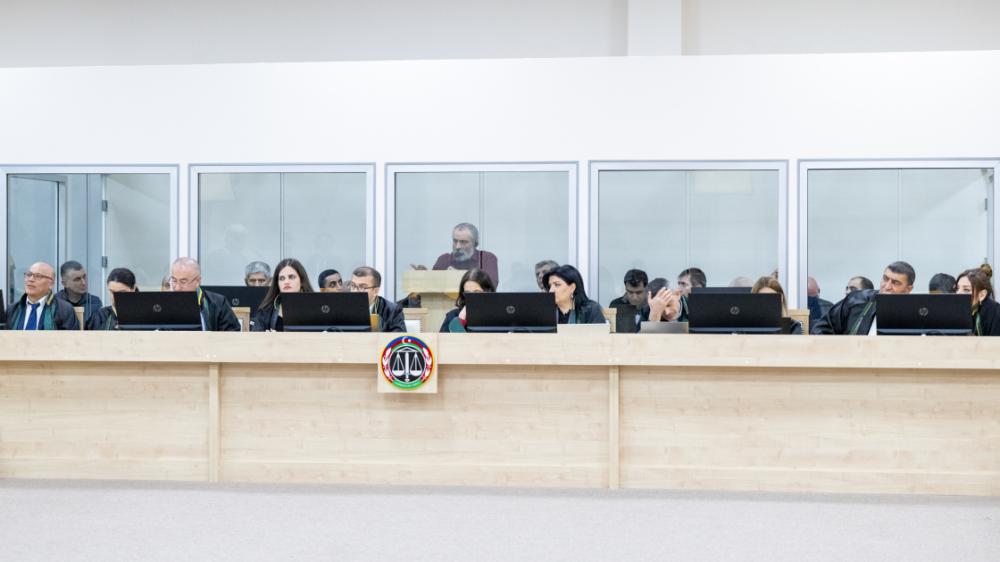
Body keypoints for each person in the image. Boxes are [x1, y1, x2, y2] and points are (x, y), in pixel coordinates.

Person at [813, 261, 915, 335]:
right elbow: (821, 328)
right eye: (885, 279)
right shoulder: (857, 299)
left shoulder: (915, 312)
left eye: (895, 283)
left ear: (908, 289)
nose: (887, 286)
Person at [168, 257, 240, 331]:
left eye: (183, 282)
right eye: (174, 281)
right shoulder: (166, 304)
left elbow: (232, 332)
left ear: (197, 281)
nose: (177, 288)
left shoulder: (218, 303)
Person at [5, 262, 79, 330]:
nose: (31, 279)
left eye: (38, 276)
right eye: (29, 275)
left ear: (51, 284)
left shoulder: (64, 310)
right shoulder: (13, 309)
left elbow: (71, 339)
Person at [251, 259, 314, 332]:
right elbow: (255, 336)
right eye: (282, 278)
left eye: (291, 277)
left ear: (302, 281)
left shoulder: (315, 307)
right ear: (277, 283)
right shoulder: (266, 310)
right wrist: (267, 337)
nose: (286, 282)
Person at [430, 223, 500, 286]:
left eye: (463, 242)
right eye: (455, 241)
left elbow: (491, 286)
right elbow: (431, 286)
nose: (457, 246)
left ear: (475, 243)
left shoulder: (486, 258)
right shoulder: (444, 260)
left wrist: (457, 276)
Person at [348, 266, 405, 332]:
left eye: (362, 287)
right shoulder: (343, 307)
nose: (355, 291)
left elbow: (398, 336)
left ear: (375, 291)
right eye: (353, 285)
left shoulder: (392, 311)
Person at [956, 265, 1000, 336]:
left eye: (966, 290)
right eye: (957, 288)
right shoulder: (956, 310)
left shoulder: (996, 314)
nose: (958, 293)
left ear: (982, 295)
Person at [55, 260, 102, 326]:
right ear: (65, 284)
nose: (83, 283)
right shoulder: (55, 302)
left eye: (84, 277)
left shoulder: (94, 302)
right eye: (77, 279)